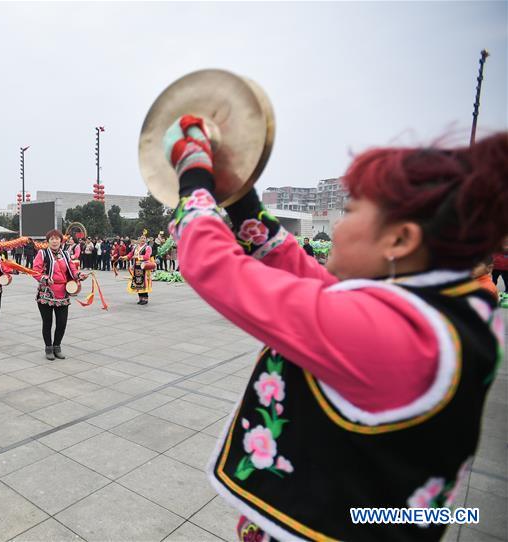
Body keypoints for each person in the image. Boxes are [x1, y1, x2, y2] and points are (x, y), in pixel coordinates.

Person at [164, 115, 506, 541]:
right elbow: (315, 284)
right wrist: (242, 200)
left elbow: (218, 269)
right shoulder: (442, 313)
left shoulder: (393, 337)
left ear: (400, 240)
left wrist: (194, 177)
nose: (338, 227)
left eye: (350, 211)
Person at [32, 230, 86, 360]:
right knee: (47, 322)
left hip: (63, 292)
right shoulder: (42, 253)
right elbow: (35, 271)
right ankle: (48, 348)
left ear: (61, 241)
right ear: (48, 241)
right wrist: (45, 278)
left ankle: (57, 346)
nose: (55, 241)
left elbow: (72, 269)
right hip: (46, 293)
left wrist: (79, 275)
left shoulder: (66, 254)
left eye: (57, 239)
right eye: (52, 239)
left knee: (62, 323)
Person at [126, 233, 154, 305]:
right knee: (138, 283)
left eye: (144, 238)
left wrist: (137, 257)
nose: (143, 239)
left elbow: (147, 257)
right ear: (139, 239)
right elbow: (130, 254)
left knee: (144, 283)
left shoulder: (148, 247)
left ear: (146, 240)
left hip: (144, 267)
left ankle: (145, 299)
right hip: (136, 268)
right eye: (142, 238)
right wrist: (124, 257)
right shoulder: (135, 247)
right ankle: (140, 298)